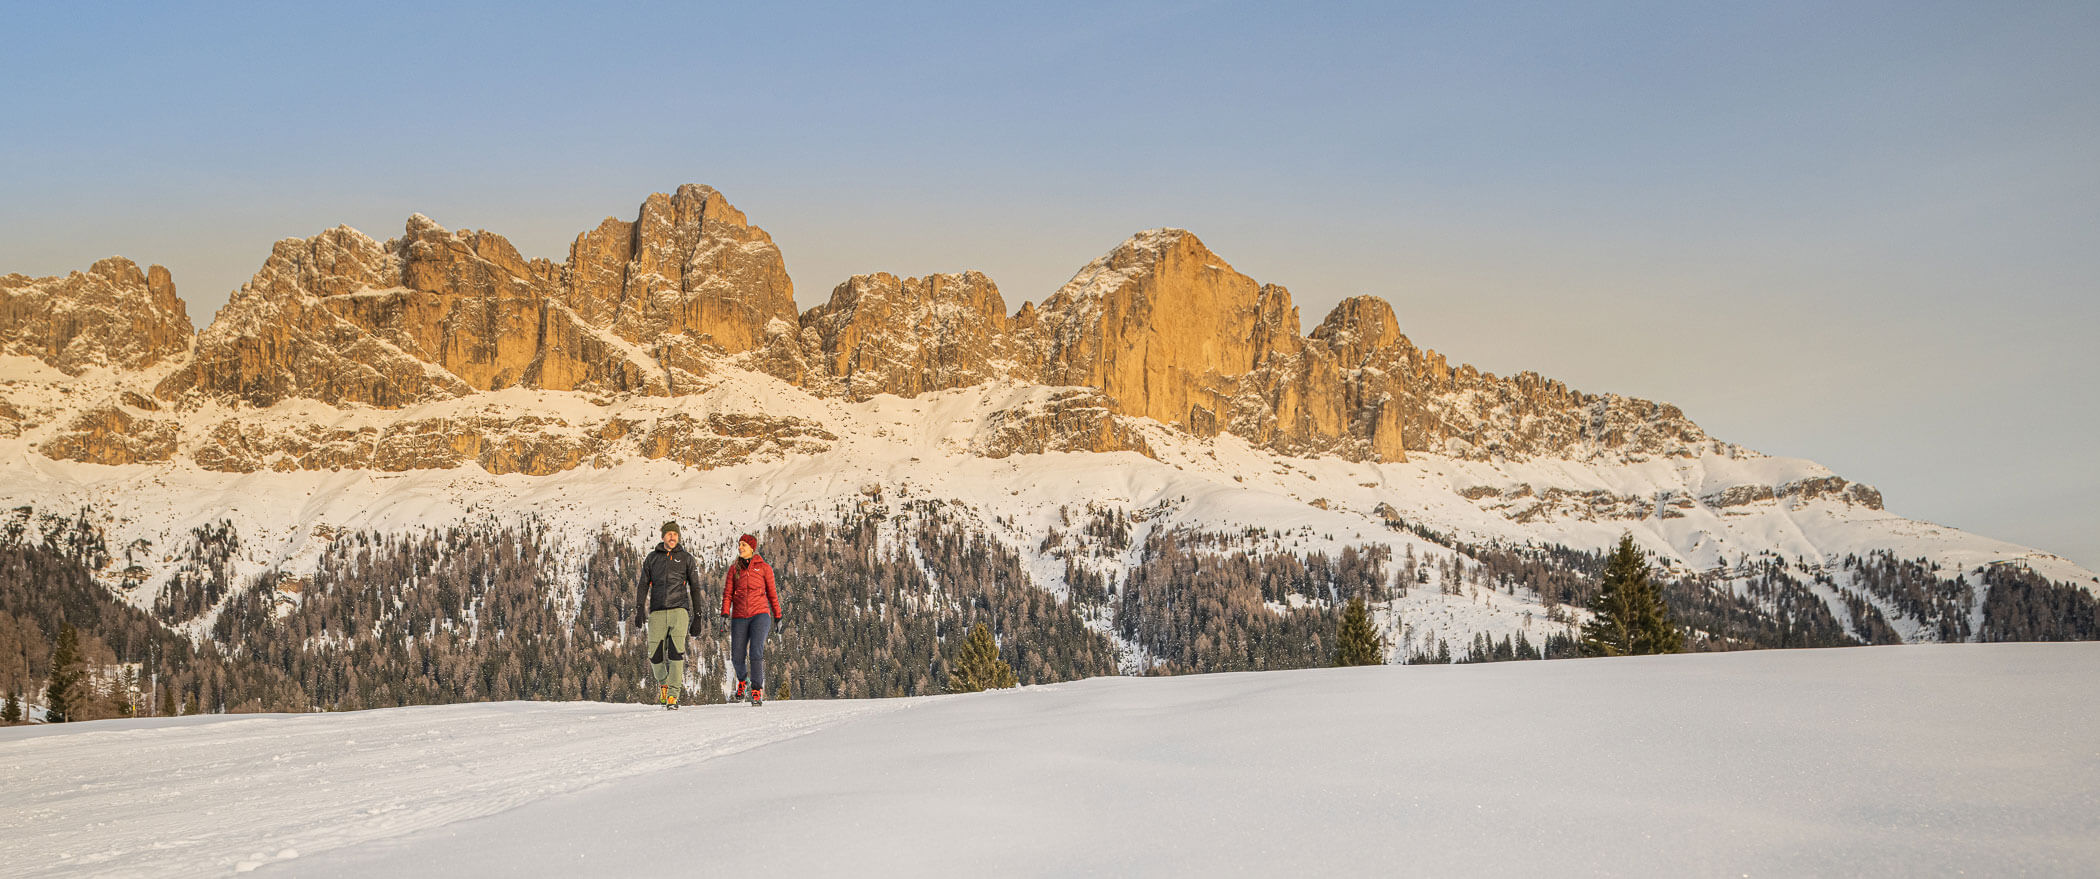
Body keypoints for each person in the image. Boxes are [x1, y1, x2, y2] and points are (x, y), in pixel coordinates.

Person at [635, 521, 703, 709]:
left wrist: (698, 616)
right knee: (654, 655)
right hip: (657, 612)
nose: (672, 537)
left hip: (679, 610)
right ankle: (664, 683)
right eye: (669, 534)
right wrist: (639, 609)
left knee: (675, 653)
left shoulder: (687, 558)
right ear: (663, 536)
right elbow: (642, 584)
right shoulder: (652, 558)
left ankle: (673, 695)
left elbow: (695, 587)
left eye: (675, 534)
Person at [721, 533, 781, 706]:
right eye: (739, 545)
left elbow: (772, 594)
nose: (740, 548)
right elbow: (727, 594)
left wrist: (778, 616)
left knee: (756, 651)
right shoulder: (734, 569)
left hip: (760, 614)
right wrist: (725, 614)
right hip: (739, 616)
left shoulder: (764, 568)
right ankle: (742, 681)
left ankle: (756, 690)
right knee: (737, 657)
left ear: (752, 548)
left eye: (743, 545)